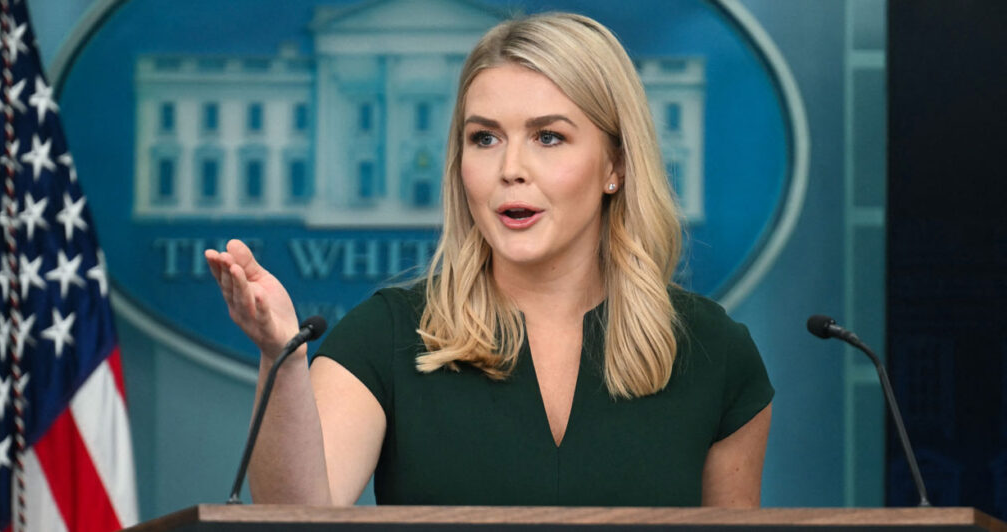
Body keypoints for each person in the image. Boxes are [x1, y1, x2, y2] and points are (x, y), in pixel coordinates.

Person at [205, 12, 773, 508]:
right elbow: (295, 515)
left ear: (614, 166)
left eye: (548, 137)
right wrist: (278, 359)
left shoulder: (716, 353)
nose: (510, 169)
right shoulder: (390, 335)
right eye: (485, 138)